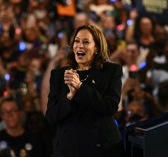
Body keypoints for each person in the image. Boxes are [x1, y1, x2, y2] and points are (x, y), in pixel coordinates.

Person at [45, 25, 126, 157]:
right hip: (69, 149)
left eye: (86, 42)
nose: (79, 46)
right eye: (76, 41)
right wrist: (70, 96)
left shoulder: (111, 71)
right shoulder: (59, 75)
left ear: (96, 48)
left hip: (103, 149)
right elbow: (52, 117)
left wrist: (80, 88)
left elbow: (110, 107)